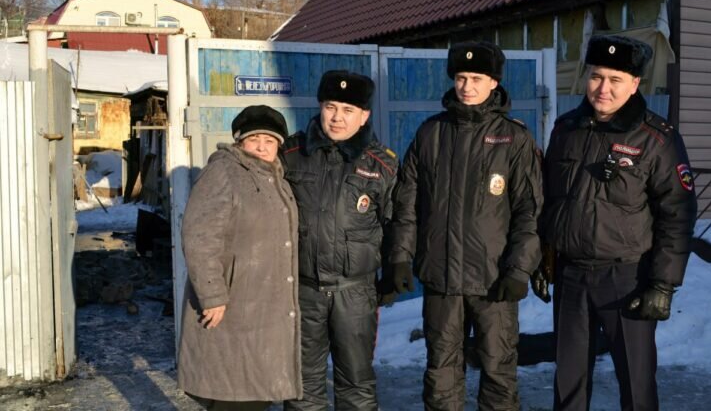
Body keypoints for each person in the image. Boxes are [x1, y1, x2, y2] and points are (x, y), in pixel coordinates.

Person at [533, 34, 697, 410]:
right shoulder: (567, 129)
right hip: (572, 277)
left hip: (627, 279)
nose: (603, 88)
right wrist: (542, 254)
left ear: (635, 83)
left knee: (636, 383)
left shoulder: (656, 139)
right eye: (596, 76)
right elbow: (549, 198)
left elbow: (678, 212)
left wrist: (663, 284)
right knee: (568, 381)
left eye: (615, 79)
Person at [387, 41, 542, 411]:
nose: (467, 86)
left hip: (494, 281)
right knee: (440, 373)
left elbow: (530, 211)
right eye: (460, 77)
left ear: (493, 83)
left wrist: (519, 269)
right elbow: (407, 203)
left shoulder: (514, 139)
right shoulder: (430, 135)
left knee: (498, 373)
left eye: (476, 78)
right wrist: (400, 257)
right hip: (441, 279)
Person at [282, 70, 398, 411]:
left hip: (355, 292)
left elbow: (398, 222)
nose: (337, 117)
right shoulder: (291, 154)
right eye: (331, 106)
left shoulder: (382, 165)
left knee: (356, 386)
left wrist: (396, 265)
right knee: (302, 387)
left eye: (348, 110)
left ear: (364, 116)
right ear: (320, 106)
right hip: (302, 291)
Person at [178, 105, 300, 411]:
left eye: (269, 140)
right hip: (233, 308)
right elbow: (200, 234)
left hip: (262, 310)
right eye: (254, 138)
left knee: (252, 392)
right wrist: (212, 295)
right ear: (239, 142)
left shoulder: (275, 178)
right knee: (235, 393)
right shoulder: (224, 171)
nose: (262, 145)